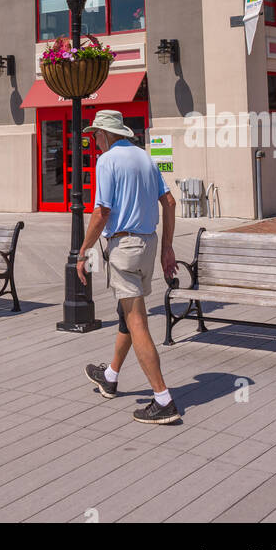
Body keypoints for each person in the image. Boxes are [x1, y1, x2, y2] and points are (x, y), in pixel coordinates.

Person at [77, 109, 181, 425]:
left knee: (137, 319)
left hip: (124, 247)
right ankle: (110, 376)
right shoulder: (146, 158)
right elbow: (170, 203)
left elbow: (102, 211)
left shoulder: (107, 161)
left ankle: (163, 399)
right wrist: (167, 247)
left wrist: (83, 251)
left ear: (107, 134)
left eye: (95, 134)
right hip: (148, 244)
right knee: (128, 311)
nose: (94, 140)